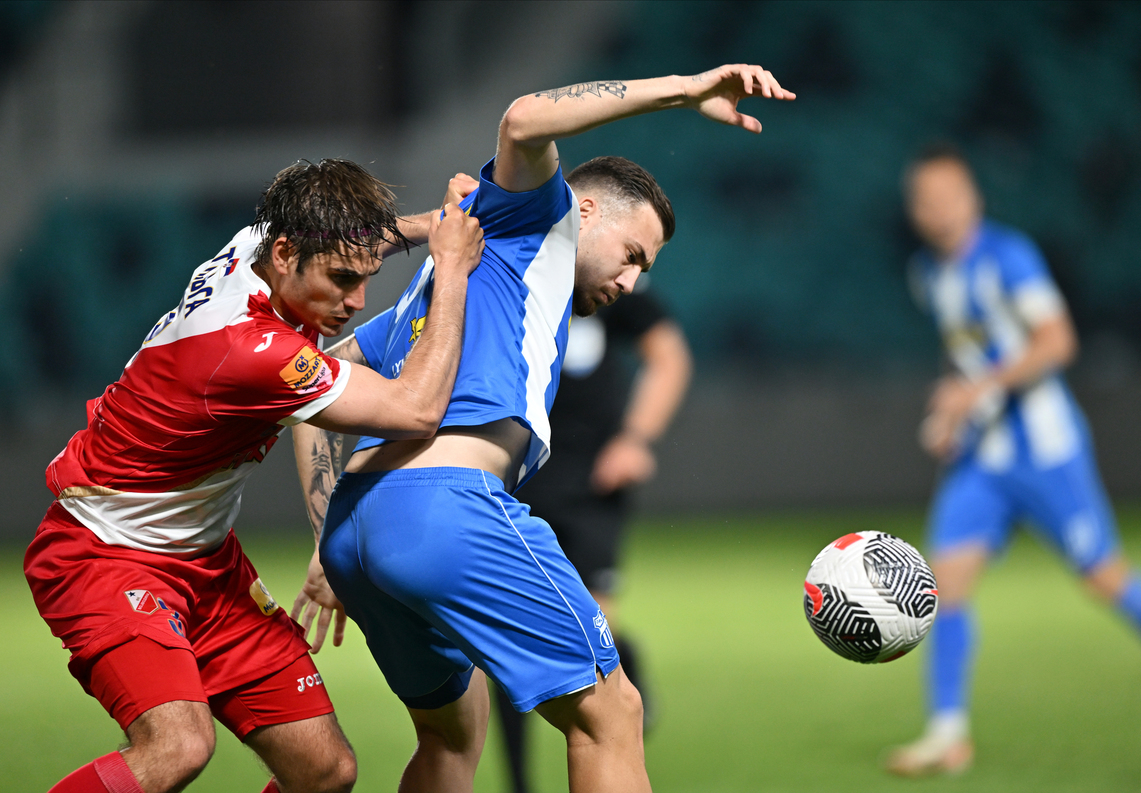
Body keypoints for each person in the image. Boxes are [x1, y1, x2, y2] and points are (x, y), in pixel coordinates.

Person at [290, 64, 793, 793]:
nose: (630, 282)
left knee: (451, 736)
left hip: (355, 535)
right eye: (632, 256)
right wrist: (687, 90)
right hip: (445, 511)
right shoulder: (542, 218)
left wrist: (321, 541)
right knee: (612, 713)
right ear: (583, 210)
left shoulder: (436, 291)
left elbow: (310, 382)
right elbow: (524, 118)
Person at [26, 158, 485, 793]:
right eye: (342, 280)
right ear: (287, 254)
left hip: (208, 566)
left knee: (325, 773)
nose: (356, 302)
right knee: (178, 747)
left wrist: (439, 224)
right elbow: (416, 410)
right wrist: (453, 269)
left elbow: (355, 239)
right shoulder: (250, 351)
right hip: (104, 555)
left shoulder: (259, 245)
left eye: (365, 279)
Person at [886, 143, 1141, 776]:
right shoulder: (927, 273)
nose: (939, 209)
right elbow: (965, 353)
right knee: (942, 586)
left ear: (973, 198)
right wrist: (951, 409)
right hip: (982, 460)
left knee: (1104, 577)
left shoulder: (1008, 258)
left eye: (949, 196)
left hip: (1045, 450)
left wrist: (977, 390)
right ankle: (947, 735)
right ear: (913, 210)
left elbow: (1057, 341)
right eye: (926, 200)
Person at [493, 284, 692, 793]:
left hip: (592, 484)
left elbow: (669, 356)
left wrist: (636, 439)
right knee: (506, 637)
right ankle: (519, 784)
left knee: (595, 633)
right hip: (514, 479)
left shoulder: (603, 281)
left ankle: (624, 659)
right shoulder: (508, 279)